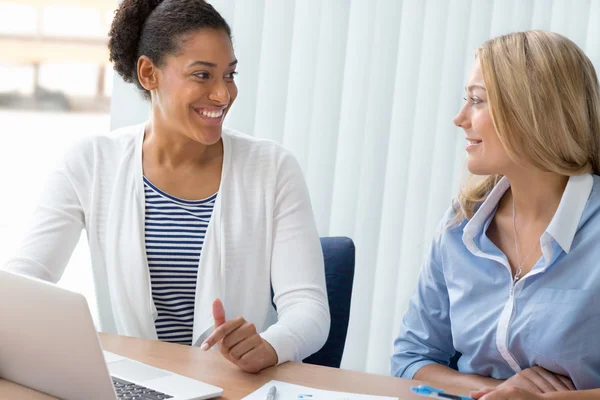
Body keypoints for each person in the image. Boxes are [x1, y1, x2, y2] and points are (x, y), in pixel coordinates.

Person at [4, 0, 330, 374]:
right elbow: (23, 281)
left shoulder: (273, 169)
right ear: (149, 73)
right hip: (131, 384)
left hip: (233, 386)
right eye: (203, 75)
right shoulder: (90, 163)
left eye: (230, 75)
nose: (223, 95)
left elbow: (309, 308)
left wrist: (271, 345)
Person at [390, 30, 600, 397]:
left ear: (532, 111)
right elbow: (411, 359)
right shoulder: (462, 223)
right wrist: (497, 390)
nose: (459, 118)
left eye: (477, 101)